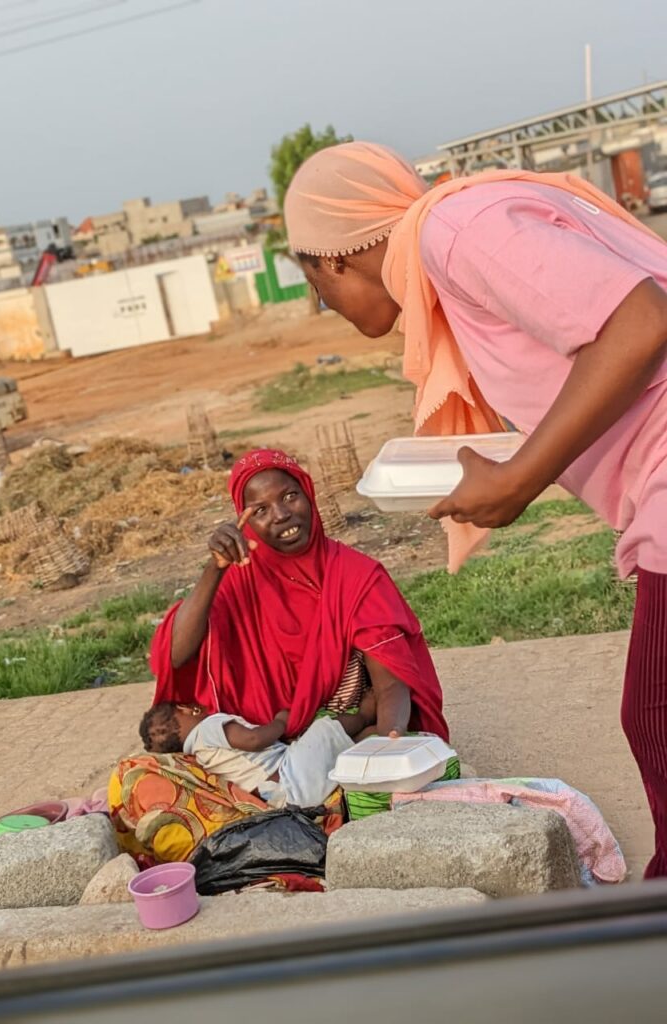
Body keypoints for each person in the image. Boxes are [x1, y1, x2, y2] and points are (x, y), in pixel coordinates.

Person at [283, 141, 667, 878]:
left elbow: (641, 322)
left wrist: (520, 477)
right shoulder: (450, 248)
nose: (325, 308)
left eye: (314, 286)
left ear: (330, 259)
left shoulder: (453, 233)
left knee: (657, 717)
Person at [148, 448, 448, 745]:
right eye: (260, 510)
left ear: (308, 494)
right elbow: (175, 656)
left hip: (342, 734)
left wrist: (391, 745)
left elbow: (391, 683)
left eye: (290, 496)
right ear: (244, 520)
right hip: (260, 743)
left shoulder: (356, 576)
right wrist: (214, 570)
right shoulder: (239, 579)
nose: (282, 515)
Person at [139, 691, 377, 808]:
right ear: (185, 709)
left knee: (340, 745)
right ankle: (366, 715)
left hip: (285, 800)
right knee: (323, 731)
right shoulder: (207, 728)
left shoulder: (199, 755)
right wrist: (280, 723)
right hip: (290, 777)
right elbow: (253, 740)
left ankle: (373, 735)